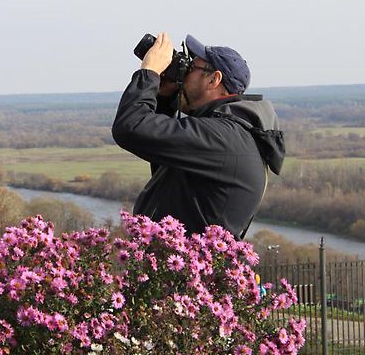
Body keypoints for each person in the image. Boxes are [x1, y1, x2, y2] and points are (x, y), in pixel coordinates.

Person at [111, 32, 285, 238]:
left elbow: (130, 127)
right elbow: (162, 157)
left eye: (192, 68)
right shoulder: (228, 133)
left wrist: (149, 73)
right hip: (177, 264)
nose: (184, 73)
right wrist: (164, 98)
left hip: (184, 267)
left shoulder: (222, 137)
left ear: (213, 79)